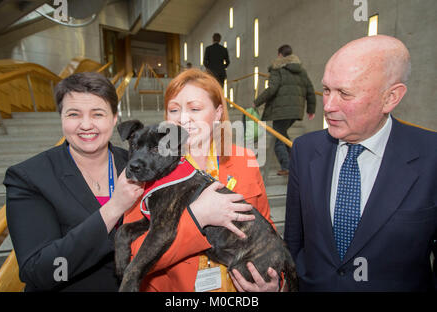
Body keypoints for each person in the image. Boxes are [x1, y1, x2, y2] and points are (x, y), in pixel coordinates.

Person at [284, 35, 437, 291]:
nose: (329, 105)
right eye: (327, 89)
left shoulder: (431, 156)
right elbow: (294, 240)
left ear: (391, 98)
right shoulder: (304, 150)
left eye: (344, 93)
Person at [123, 68, 282, 292]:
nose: (183, 119)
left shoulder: (244, 159)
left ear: (217, 113)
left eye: (195, 109)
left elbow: (267, 232)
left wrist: (275, 284)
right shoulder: (149, 169)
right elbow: (134, 255)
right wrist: (197, 217)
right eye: (174, 110)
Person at [3, 72, 144, 291]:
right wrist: (113, 208)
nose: (86, 125)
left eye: (97, 114)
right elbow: (40, 272)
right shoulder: (30, 177)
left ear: (114, 118)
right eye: (74, 114)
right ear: (61, 118)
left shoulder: (136, 165)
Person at [254, 44, 316, 176]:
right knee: (283, 136)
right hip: (296, 110)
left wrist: (257, 102)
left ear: (280, 55)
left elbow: (272, 89)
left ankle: (287, 166)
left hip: (281, 111)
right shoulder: (301, 70)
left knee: (277, 139)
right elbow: (310, 90)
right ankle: (298, 160)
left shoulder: (277, 69)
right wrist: (311, 109)